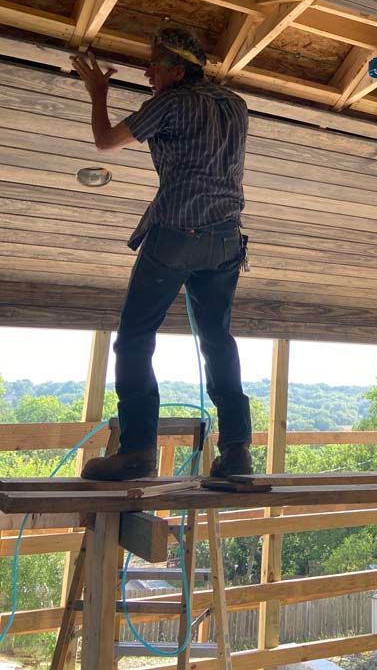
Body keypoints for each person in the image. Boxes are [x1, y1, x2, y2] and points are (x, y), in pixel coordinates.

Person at [71, 25, 252, 481]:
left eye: (154, 63)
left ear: (176, 68)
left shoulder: (171, 103)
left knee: (135, 337)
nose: (147, 71)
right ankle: (236, 451)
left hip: (177, 232)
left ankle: (136, 452)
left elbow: (105, 141)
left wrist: (98, 91)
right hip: (227, 239)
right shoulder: (235, 105)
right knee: (217, 341)